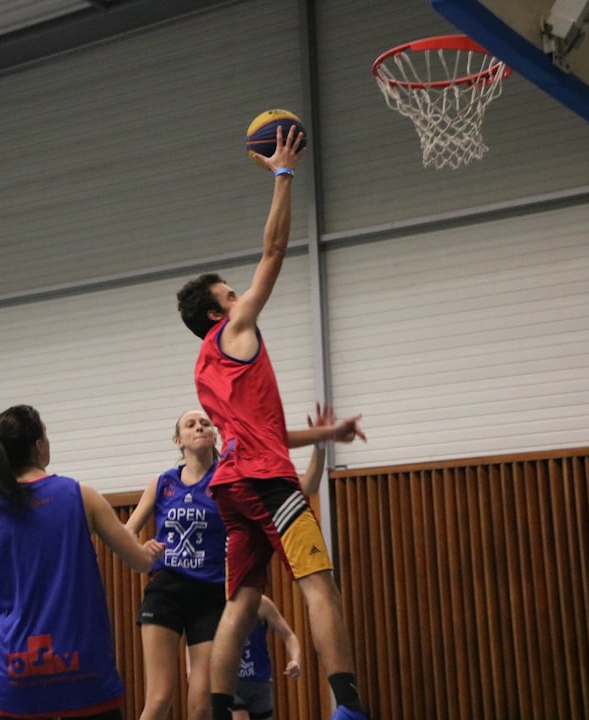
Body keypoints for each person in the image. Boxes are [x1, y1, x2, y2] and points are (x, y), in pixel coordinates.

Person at [175, 124, 371, 720]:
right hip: (266, 483)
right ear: (217, 311)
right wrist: (283, 174)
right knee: (319, 585)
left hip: (233, 486)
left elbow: (263, 432)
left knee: (241, 600)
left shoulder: (205, 366)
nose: (244, 298)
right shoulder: (234, 333)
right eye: (233, 295)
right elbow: (275, 253)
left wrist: (326, 435)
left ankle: (216, 708)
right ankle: (349, 708)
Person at [125, 406, 329, 720]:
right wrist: (143, 550)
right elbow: (126, 533)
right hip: (166, 589)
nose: (199, 427)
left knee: (203, 703)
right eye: (190, 425)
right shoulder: (162, 483)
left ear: (215, 434)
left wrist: (319, 445)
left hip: (210, 594)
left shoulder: (231, 479)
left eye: (205, 423)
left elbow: (305, 487)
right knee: (159, 698)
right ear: (179, 440)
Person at [0, 404, 164, 720]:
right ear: (39, 446)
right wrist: (152, 552)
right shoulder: (80, 495)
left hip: (18, 673)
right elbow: (141, 562)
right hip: (82, 671)